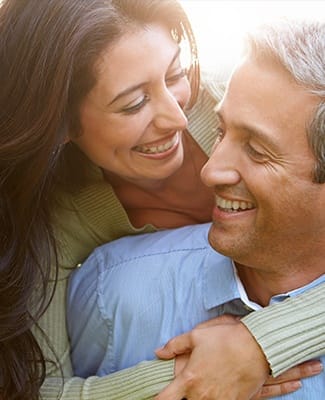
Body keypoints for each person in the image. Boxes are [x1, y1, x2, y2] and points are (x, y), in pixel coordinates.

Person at [0, 0, 323, 396]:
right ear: (60, 122)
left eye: (175, 74)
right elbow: (34, 389)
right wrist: (190, 376)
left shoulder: (243, 98)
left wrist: (262, 344)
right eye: (134, 103)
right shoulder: (59, 221)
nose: (178, 118)